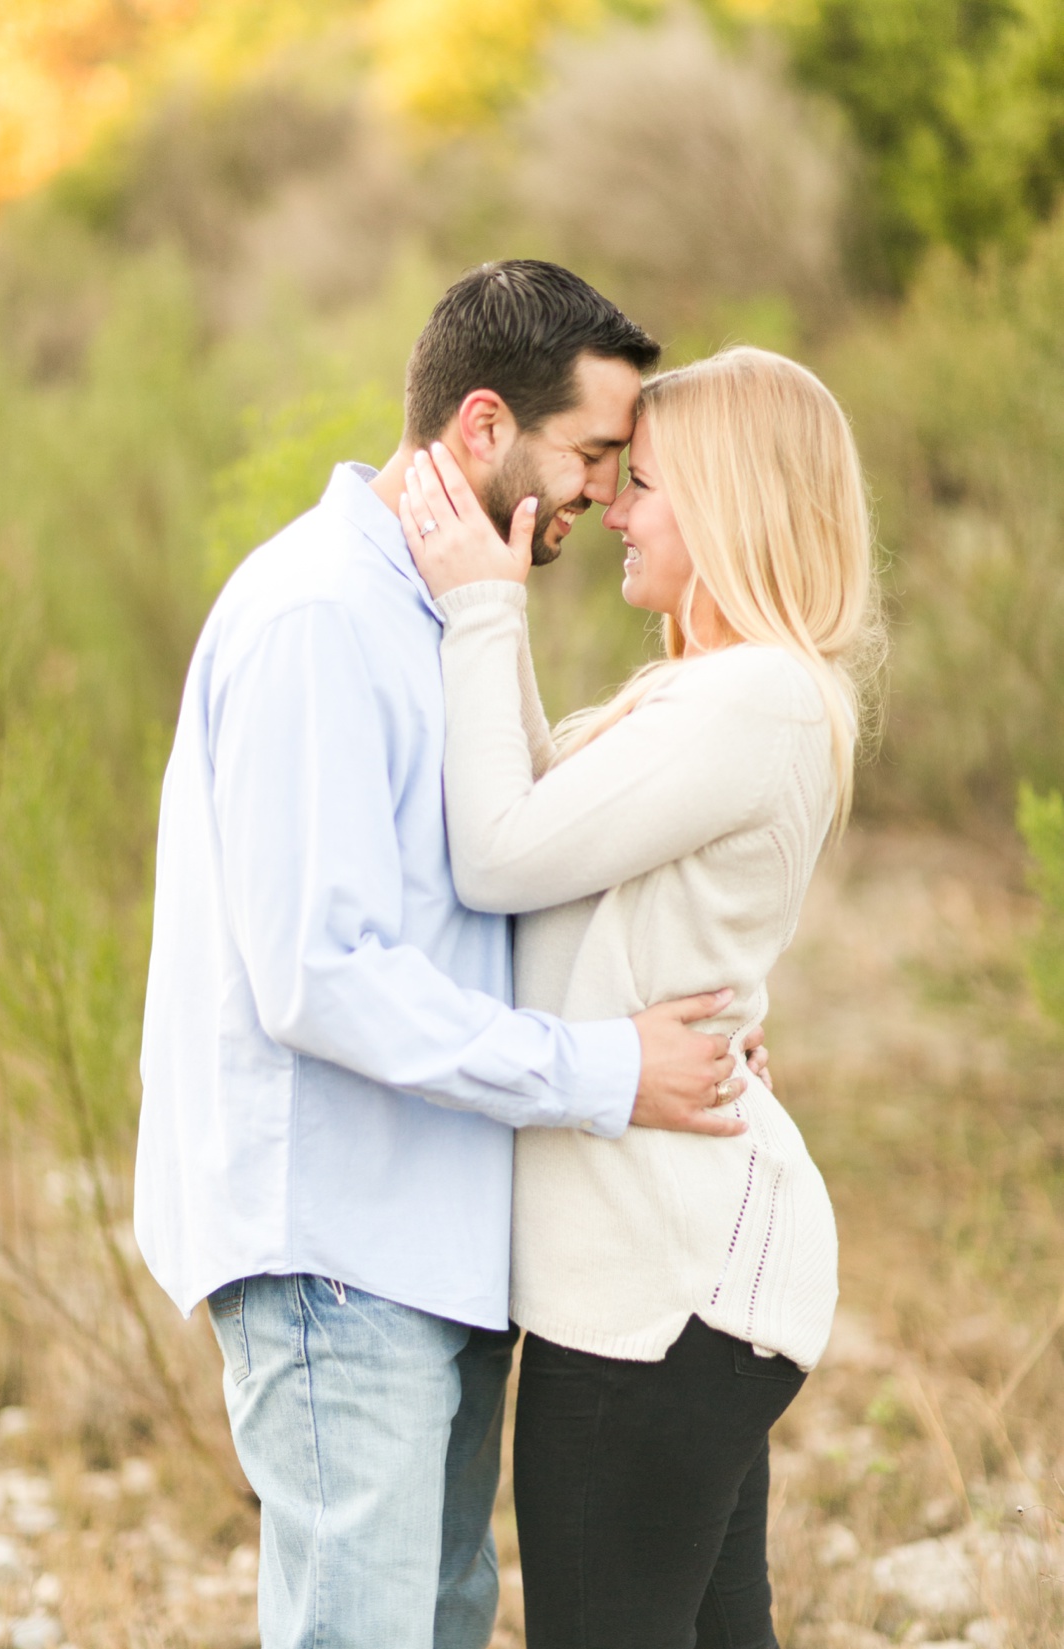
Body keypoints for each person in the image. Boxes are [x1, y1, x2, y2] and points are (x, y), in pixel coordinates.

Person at [134, 261, 770, 1649]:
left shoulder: (446, 609)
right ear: (484, 426)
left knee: (435, 1622)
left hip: (436, 1253)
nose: (607, 490)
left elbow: (501, 883)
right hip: (340, 1253)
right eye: (593, 453)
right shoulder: (321, 616)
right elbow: (328, 974)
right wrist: (608, 1069)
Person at [400, 344, 882, 1649]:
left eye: (648, 482)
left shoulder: (758, 699)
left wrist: (480, 610)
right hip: (673, 1289)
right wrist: (490, 595)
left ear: (732, 508)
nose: (617, 505)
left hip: (652, 1298)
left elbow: (497, 849)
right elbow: (549, 824)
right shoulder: (705, 692)